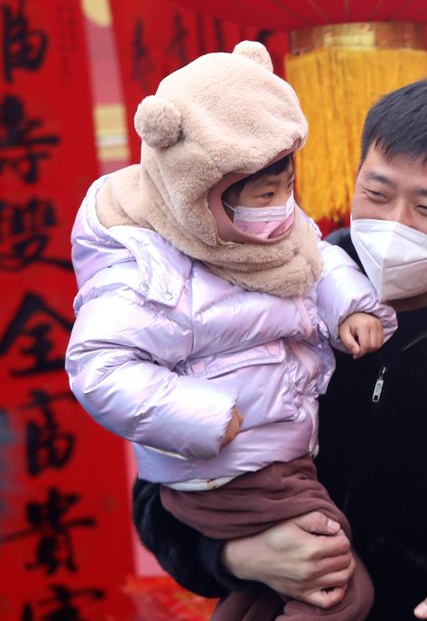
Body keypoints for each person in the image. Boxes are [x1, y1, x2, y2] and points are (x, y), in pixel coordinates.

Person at [131, 79, 427, 621]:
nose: (393, 226)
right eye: (378, 194)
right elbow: (162, 487)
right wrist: (234, 557)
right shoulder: (267, 302)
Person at [65, 41, 396, 621]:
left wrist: (353, 309)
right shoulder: (147, 269)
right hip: (226, 468)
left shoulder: (266, 230)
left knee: (267, 596)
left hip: (277, 454)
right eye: (262, 197)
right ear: (200, 195)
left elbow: (315, 259)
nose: (281, 209)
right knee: (340, 585)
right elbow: (97, 366)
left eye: (285, 188)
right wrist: (204, 417)